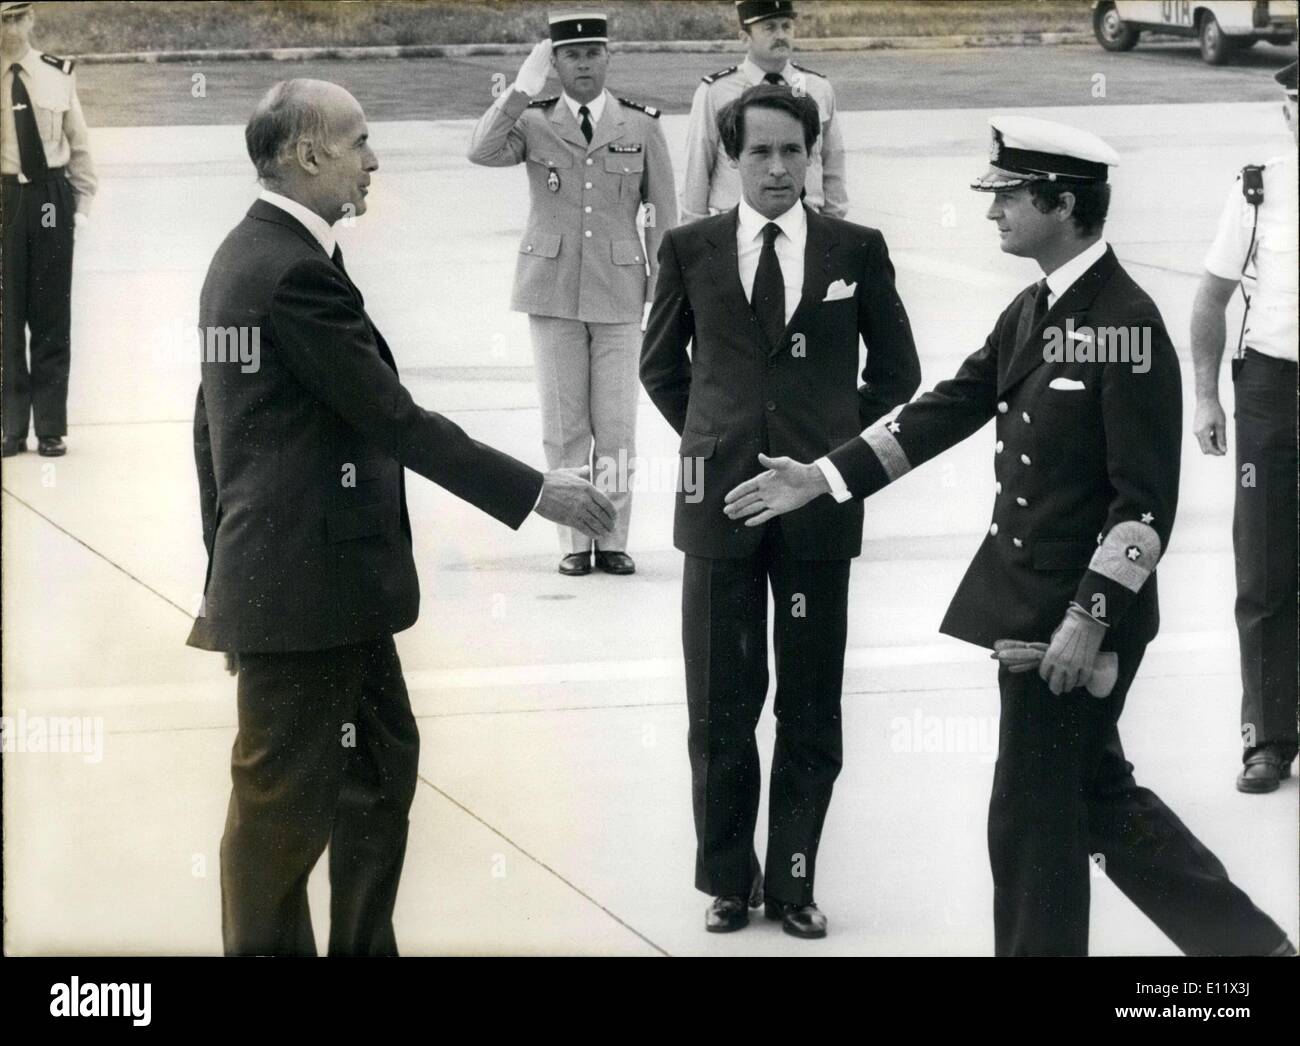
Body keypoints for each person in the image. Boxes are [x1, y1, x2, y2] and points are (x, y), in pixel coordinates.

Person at [724, 115, 1295, 957]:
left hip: (1073, 622)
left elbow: (1144, 508)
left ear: (1061, 204)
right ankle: (1251, 953)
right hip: (1028, 605)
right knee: (1090, 797)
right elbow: (942, 408)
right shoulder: (1034, 307)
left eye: (1008, 198)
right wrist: (824, 477)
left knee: (1033, 814)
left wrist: (1089, 619)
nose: (992, 213)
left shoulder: (1126, 324)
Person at [190, 79, 615, 956]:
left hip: (327, 591)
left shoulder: (256, 254)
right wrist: (538, 491)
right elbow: (391, 416)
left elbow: (211, 433)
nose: (374, 160)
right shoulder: (289, 271)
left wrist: (225, 572)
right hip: (304, 598)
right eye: (359, 142)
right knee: (280, 821)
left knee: (380, 773)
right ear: (309, 156)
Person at [641, 84, 920, 939]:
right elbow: (661, 368)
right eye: (759, 151)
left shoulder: (856, 248)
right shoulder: (690, 248)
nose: (776, 168)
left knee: (809, 703)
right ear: (732, 156)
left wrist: (834, 458)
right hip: (720, 508)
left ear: (812, 154)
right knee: (721, 704)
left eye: (791, 151)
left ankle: (794, 880)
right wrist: (714, 441)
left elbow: (899, 374)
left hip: (816, 512)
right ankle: (729, 878)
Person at [468, 10, 677, 576]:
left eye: (593, 53)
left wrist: (664, 289)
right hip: (552, 290)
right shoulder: (535, 121)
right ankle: (571, 541)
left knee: (616, 427)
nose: (583, 64)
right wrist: (519, 89)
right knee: (564, 428)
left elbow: (661, 214)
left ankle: (610, 537)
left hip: (619, 291)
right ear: (553, 63)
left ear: (609, 57)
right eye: (570, 55)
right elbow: (481, 150)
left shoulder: (640, 125)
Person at [1190, 60, 1298, 794]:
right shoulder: (1258, 187)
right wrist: (1206, 398)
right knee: (1264, 567)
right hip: (1270, 386)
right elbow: (1210, 299)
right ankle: (1268, 739)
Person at [1, 0, 96, 459]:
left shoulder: (57, 73)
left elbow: (78, 143)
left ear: (32, 18)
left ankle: (51, 428)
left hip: (49, 198)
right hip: (2, 198)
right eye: (2, 19)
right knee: (5, 316)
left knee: (50, 314)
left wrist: (81, 205)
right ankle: (11, 426)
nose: (12, 28)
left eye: (19, 17)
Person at [680, 0, 847, 224]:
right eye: (769, 28)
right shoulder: (716, 91)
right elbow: (698, 163)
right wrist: (694, 231)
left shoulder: (816, 87)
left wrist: (834, 223)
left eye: (786, 26)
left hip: (805, 222)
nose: (780, 35)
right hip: (736, 224)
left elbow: (832, 159)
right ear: (744, 37)